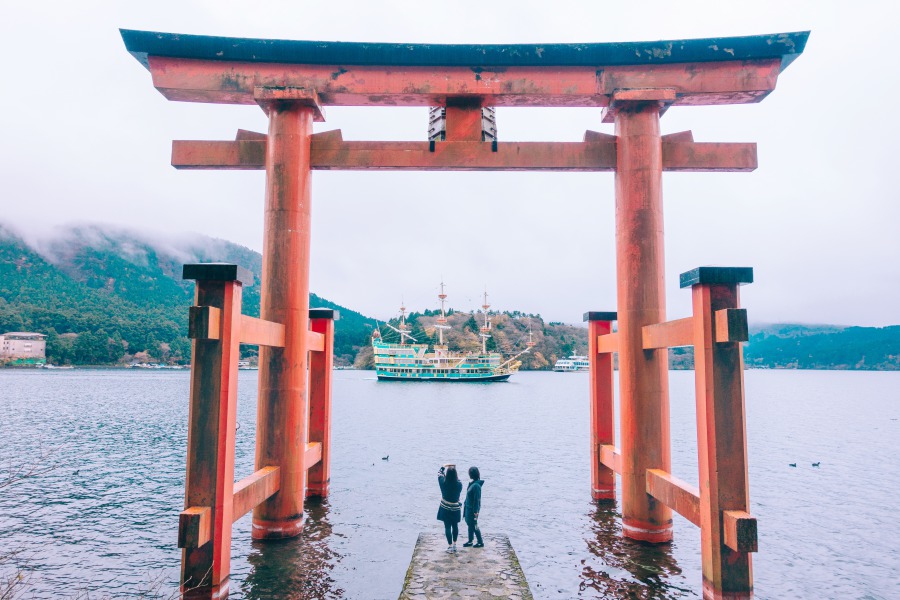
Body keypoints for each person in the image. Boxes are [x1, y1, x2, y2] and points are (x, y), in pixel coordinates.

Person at [437, 464, 463, 553]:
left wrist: (444, 466)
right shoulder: (459, 484)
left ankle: (450, 546)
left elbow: (439, 473)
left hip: (445, 508)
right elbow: (455, 478)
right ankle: (455, 545)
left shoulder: (443, 482)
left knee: (447, 526)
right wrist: (454, 468)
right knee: (455, 526)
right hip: (456, 508)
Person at [462, 466, 484, 548]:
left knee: (474, 525)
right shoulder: (473, 484)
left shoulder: (476, 486)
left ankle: (480, 542)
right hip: (468, 508)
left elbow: (477, 500)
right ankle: (470, 540)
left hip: (472, 509)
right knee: (469, 524)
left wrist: (475, 511)